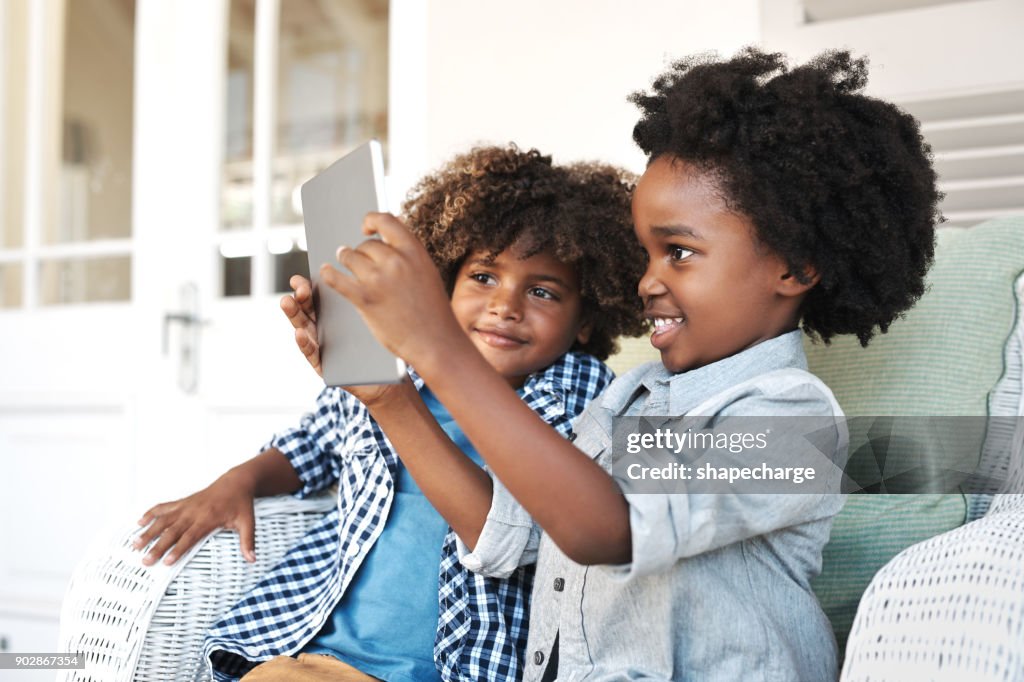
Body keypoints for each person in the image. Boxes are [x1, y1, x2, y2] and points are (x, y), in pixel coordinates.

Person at [317, 49, 942, 680]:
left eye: (678, 252)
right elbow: (514, 536)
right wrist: (390, 397)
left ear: (796, 267)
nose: (647, 282)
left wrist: (438, 346)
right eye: (647, 254)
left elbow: (609, 530)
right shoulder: (631, 398)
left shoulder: (796, 424)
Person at [131, 145, 648, 681]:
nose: (505, 306)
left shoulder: (580, 396)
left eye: (541, 291)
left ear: (586, 320)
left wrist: (390, 400)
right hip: (312, 648)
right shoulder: (396, 368)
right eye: (483, 278)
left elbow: (500, 538)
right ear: (443, 286)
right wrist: (238, 482)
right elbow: (312, 443)